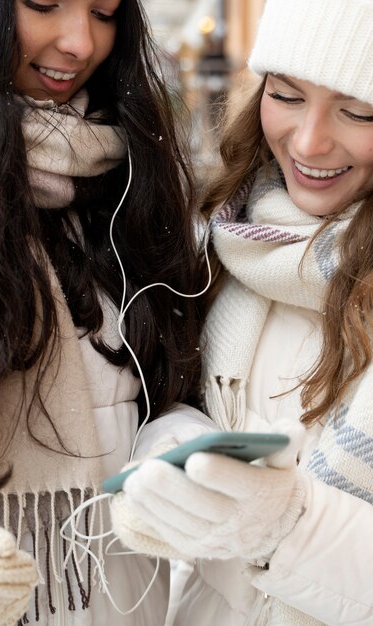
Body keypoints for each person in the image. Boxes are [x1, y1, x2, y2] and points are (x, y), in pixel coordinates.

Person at [110, 0, 373, 624]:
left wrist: (286, 523)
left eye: (359, 110)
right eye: (285, 94)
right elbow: (187, 404)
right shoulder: (235, 240)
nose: (308, 142)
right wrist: (176, 445)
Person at [0, 0, 214, 624]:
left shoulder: (129, 182)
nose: (79, 42)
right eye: (45, 4)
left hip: (120, 593)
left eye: (103, 13)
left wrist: (178, 448)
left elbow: (164, 389)